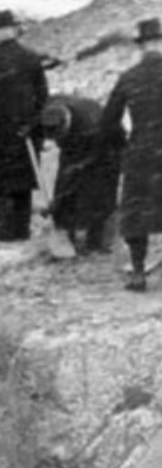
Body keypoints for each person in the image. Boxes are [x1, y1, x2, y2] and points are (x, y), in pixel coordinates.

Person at [0, 10, 49, 243]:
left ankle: (4, 231)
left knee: (0, 184)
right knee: (22, 183)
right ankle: (22, 229)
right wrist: (32, 124)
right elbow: (42, 96)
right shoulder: (31, 57)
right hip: (25, 131)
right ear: (14, 30)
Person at [101, 16, 162, 289]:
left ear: (142, 47)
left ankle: (138, 271)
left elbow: (108, 122)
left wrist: (124, 145)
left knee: (137, 211)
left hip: (142, 150)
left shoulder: (129, 77)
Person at [38, 95, 123, 256]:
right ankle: (65, 230)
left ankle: (98, 241)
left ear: (66, 125)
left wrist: (58, 199)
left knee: (99, 192)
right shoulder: (51, 108)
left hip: (106, 151)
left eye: (58, 137)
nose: (56, 142)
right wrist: (59, 199)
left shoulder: (92, 127)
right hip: (75, 145)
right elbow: (67, 176)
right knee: (66, 182)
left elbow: (83, 168)